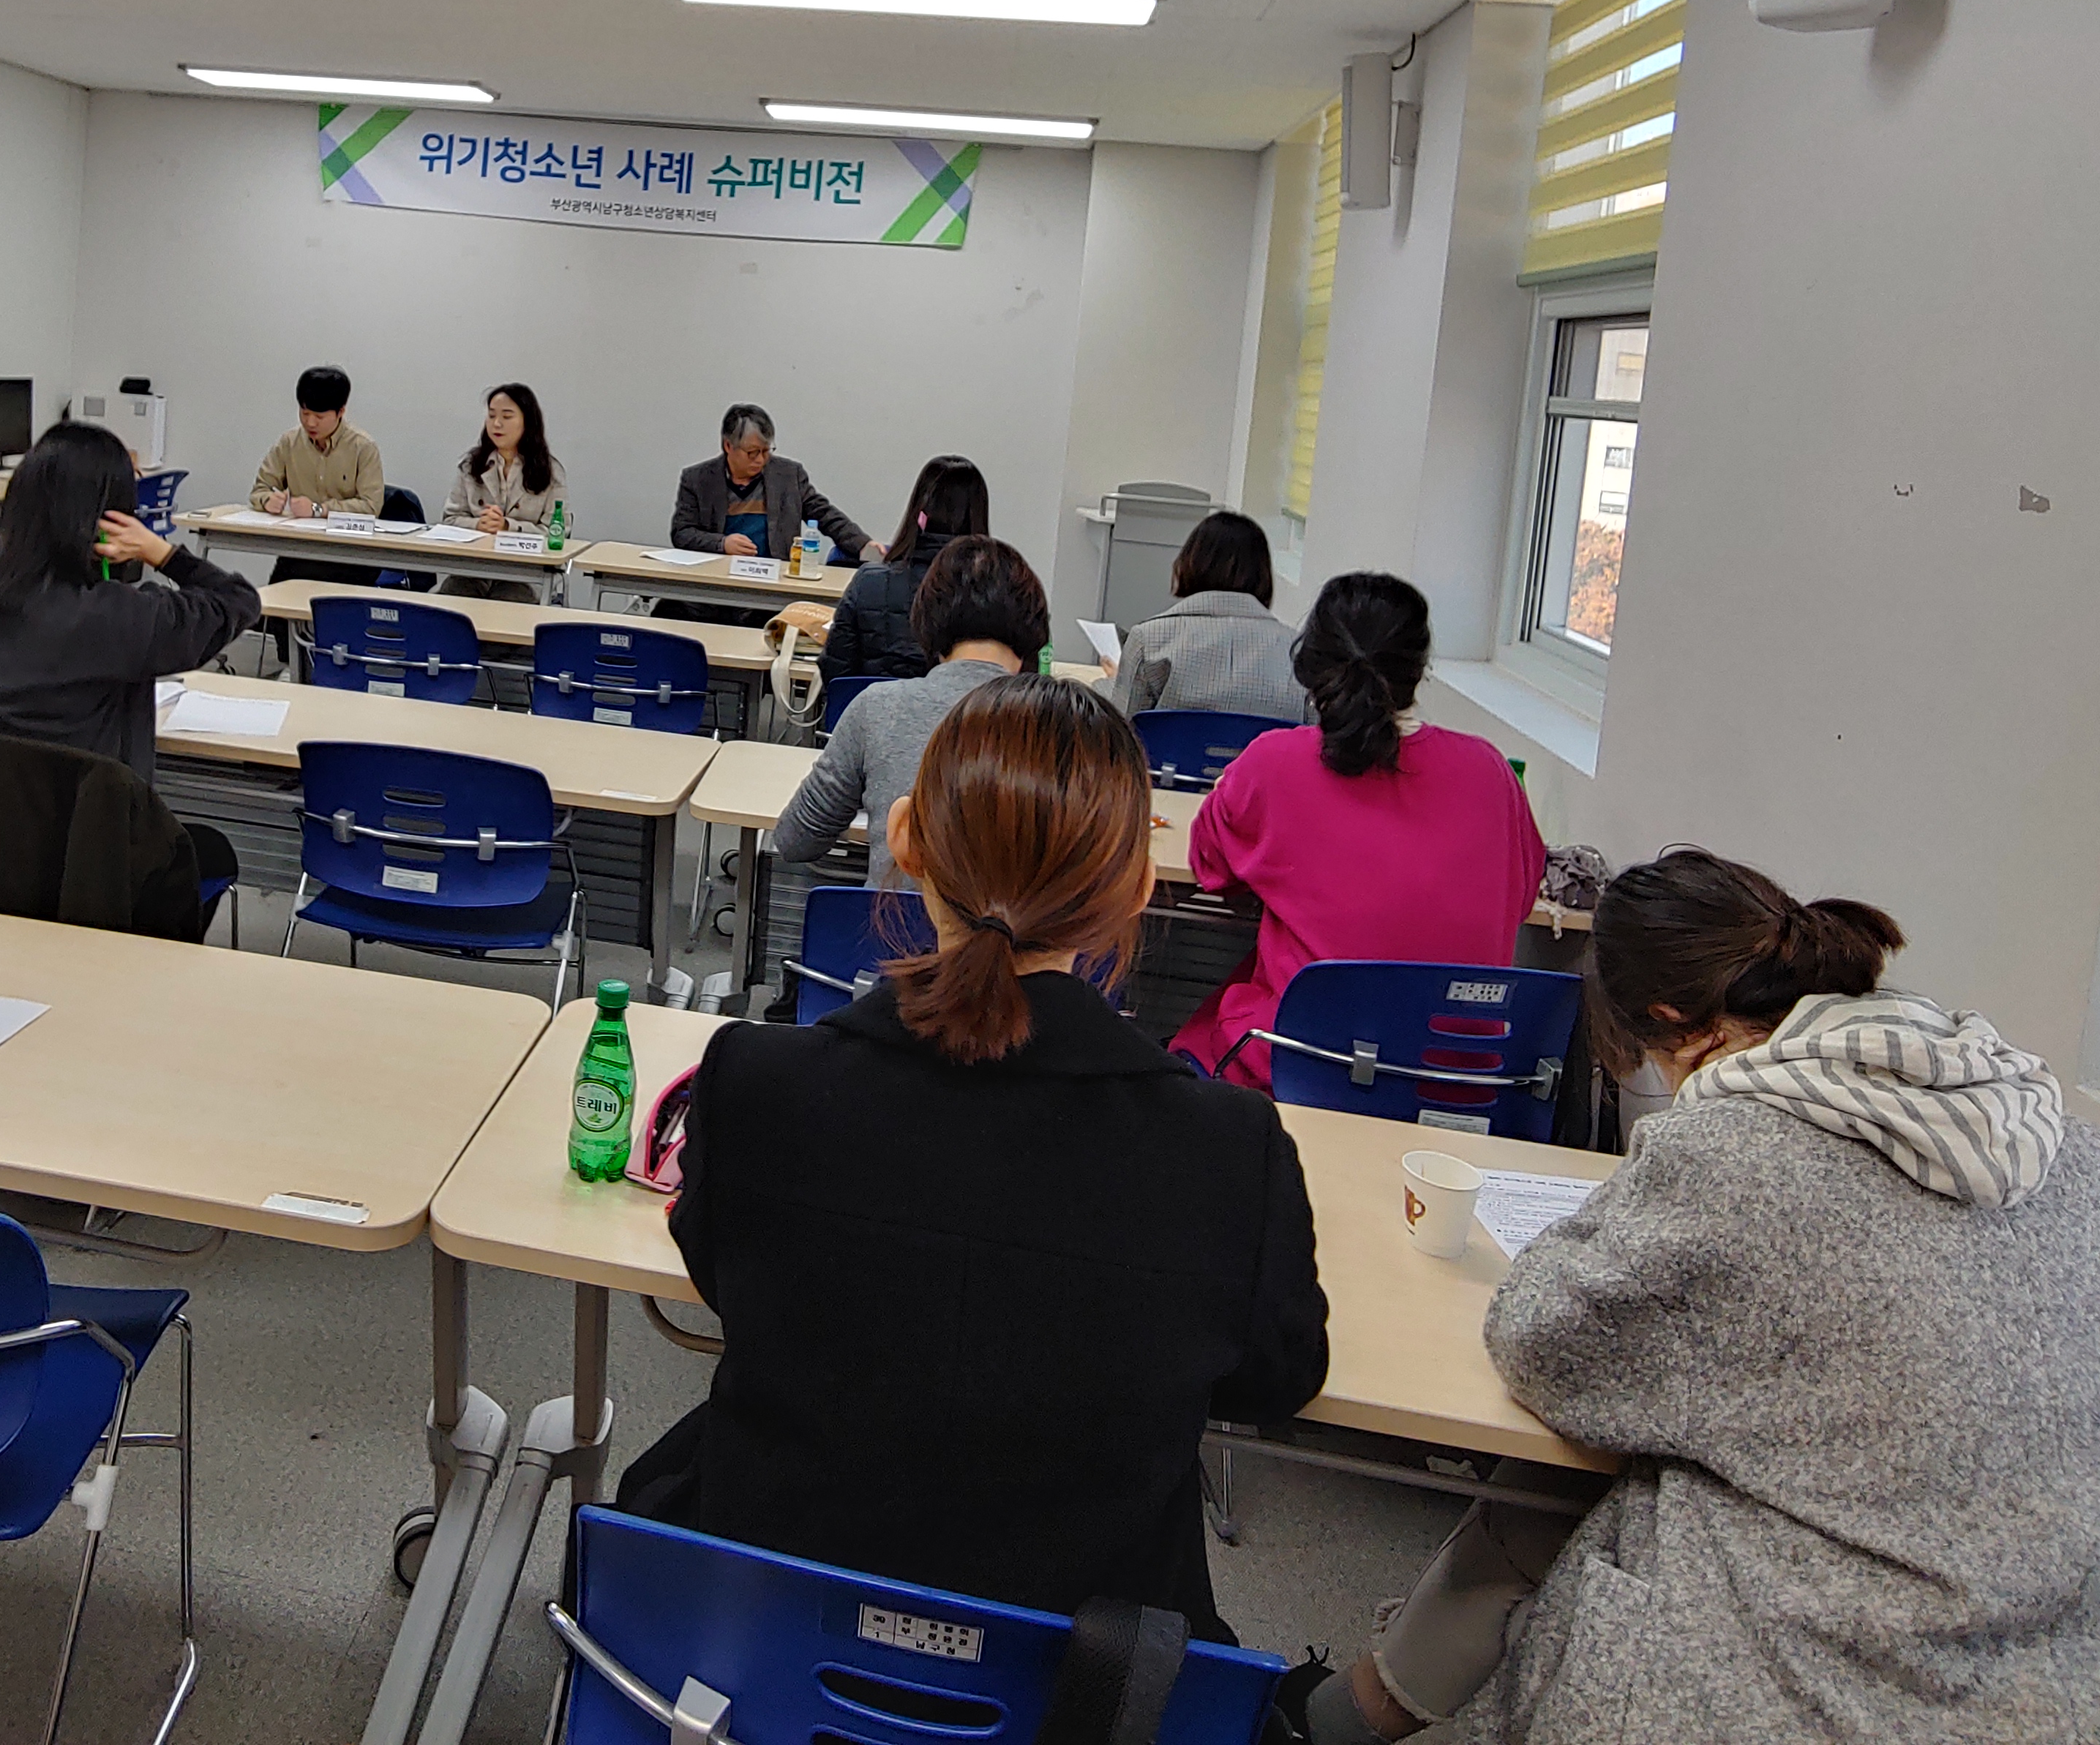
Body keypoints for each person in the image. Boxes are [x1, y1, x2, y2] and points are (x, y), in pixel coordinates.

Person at [1286, 849, 2100, 1745]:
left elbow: (1546, 1344)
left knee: (1626, 1470)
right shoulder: (2036, 1119)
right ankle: (1360, 1709)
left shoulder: (1741, 1150)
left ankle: (1349, 1714)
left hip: (1894, 1680)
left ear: (1669, 1024)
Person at [618, 675, 1328, 1635]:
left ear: (904, 839)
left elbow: (722, 1274)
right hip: (1078, 1683)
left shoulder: (756, 1084)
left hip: (759, 1642)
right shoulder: (1232, 1153)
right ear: (1134, 886)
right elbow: (1273, 1381)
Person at [1173, 570, 1543, 1086]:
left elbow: (1210, 866)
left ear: (1310, 662)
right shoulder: (1492, 772)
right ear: (1420, 668)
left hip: (1303, 1064)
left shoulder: (1273, 763)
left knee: (1199, 1034)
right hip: (1461, 1077)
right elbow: (1520, 897)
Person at [0, 420, 262, 781]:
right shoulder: (118, 618)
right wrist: (161, 552)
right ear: (110, 526)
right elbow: (237, 599)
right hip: (75, 829)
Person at [772, 536, 1046, 892]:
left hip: (889, 925)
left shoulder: (879, 708)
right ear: (1034, 628)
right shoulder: (1064, 727)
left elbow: (796, 840)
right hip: (1017, 928)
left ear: (927, 622)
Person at [788, 453, 984, 682]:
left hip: (870, 703)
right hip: (962, 705)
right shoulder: (995, 590)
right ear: (978, 516)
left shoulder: (870, 582)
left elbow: (835, 672)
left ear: (918, 512)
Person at [1109, 510, 1305, 724]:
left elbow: (1122, 732)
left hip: (1174, 747)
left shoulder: (1149, 640)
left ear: (1189, 563)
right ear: (1264, 575)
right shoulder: (1298, 651)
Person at [669, 403, 871, 566]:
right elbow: (682, 533)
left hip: (775, 578)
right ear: (728, 446)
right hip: (717, 577)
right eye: (752, 453)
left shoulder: (788, 475)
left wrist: (863, 545)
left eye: (766, 451)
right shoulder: (697, 479)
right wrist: (722, 544)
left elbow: (825, 515)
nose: (760, 460)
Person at [438, 382, 568, 601]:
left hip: (526, 573)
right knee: (452, 597)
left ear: (528, 421)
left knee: (508, 599)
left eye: (507, 417)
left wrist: (508, 527)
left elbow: (556, 533)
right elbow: (449, 519)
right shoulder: (471, 465)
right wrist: (478, 525)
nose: (497, 424)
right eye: (491, 416)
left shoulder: (550, 472)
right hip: (473, 568)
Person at [248, 365, 384, 520]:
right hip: (299, 532)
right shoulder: (289, 443)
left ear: (340, 412)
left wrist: (320, 510)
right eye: (305, 414)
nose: (310, 423)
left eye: (320, 417)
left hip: (344, 533)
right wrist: (267, 501)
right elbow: (260, 490)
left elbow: (371, 506)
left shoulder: (363, 448)